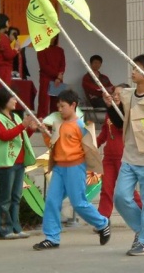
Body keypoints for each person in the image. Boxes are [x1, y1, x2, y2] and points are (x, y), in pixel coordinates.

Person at [105, 54, 144, 256]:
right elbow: (120, 122)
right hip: (129, 157)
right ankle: (143, 231)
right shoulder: (128, 95)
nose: (132, 71)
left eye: (137, 68)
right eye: (132, 67)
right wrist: (110, 106)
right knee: (120, 197)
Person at [33, 89, 111, 250]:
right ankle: (52, 237)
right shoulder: (58, 124)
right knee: (52, 201)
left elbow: (90, 148)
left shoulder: (81, 126)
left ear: (73, 105)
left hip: (75, 167)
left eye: (63, 106)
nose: (60, 109)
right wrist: (44, 132)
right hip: (59, 168)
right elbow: (52, 144)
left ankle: (102, 223)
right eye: (58, 106)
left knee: (79, 203)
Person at [0, 88, 37, 239]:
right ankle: (4, 229)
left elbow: (19, 137)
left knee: (16, 197)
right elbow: (4, 136)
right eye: (13, 98)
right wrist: (23, 125)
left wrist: (30, 129)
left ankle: (16, 227)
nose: (16, 101)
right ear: (4, 99)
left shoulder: (15, 117)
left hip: (18, 162)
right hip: (5, 163)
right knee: (5, 198)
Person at [96, 83, 142, 219]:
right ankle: (102, 220)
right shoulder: (110, 113)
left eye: (119, 94)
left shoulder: (128, 113)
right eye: (114, 94)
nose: (115, 96)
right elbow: (104, 133)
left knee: (127, 191)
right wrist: (92, 146)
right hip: (108, 158)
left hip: (124, 158)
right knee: (106, 189)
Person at [37, 36, 65, 118]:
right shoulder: (41, 49)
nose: (53, 38)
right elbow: (44, 66)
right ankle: (42, 121)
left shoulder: (60, 50)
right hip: (46, 79)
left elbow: (63, 65)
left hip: (58, 79)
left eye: (55, 36)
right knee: (44, 103)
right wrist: (58, 75)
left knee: (57, 103)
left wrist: (59, 77)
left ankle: (56, 120)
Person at [0, 13, 19, 87]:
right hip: (4, 70)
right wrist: (16, 48)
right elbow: (8, 55)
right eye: (8, 22)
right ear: (4, 23)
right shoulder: (2, 37)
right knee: (3, 91)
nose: (9, 25)